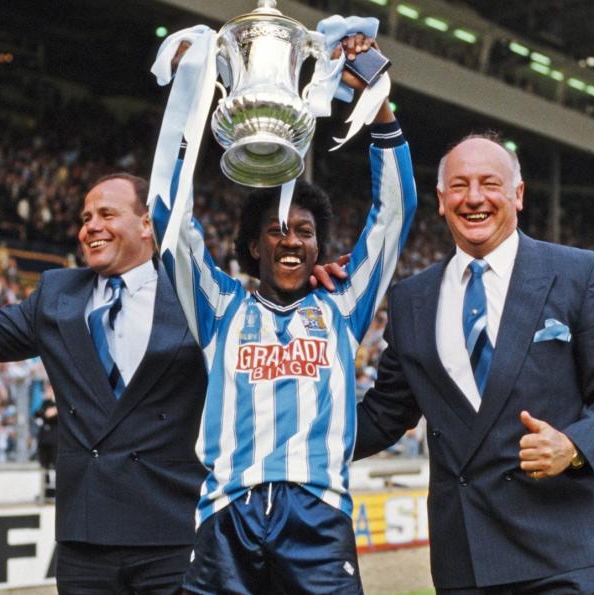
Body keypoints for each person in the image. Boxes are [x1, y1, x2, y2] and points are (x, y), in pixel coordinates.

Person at [156, 36, 416, 594]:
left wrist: (377, 102)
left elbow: (395, 212)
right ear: (254, 246)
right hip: (228, 512)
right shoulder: (220, 307)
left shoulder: (343, 307)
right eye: (276, 230)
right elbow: (170, 219)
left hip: (317, 515)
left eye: (304, 232)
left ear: (319, 248)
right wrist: (187, 98)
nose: (290, 241)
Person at [0, 172, 210, 593]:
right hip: (85, 539)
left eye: (107, 213)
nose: (91, 226)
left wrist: (313, 277)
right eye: (86, 217)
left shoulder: (196, 294)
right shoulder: (57, 295)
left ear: (147, 224)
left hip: (174, 532)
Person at [354, 133, 594, 593]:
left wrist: (572, 446)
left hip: (561, 554)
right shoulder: (411, 300)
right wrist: (288, 440)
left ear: (518, 194)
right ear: (440, 200)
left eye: (489, 183)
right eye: (459, 185)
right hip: (464, 560)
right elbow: (383, 414)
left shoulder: (580, 274)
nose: (474, 199)